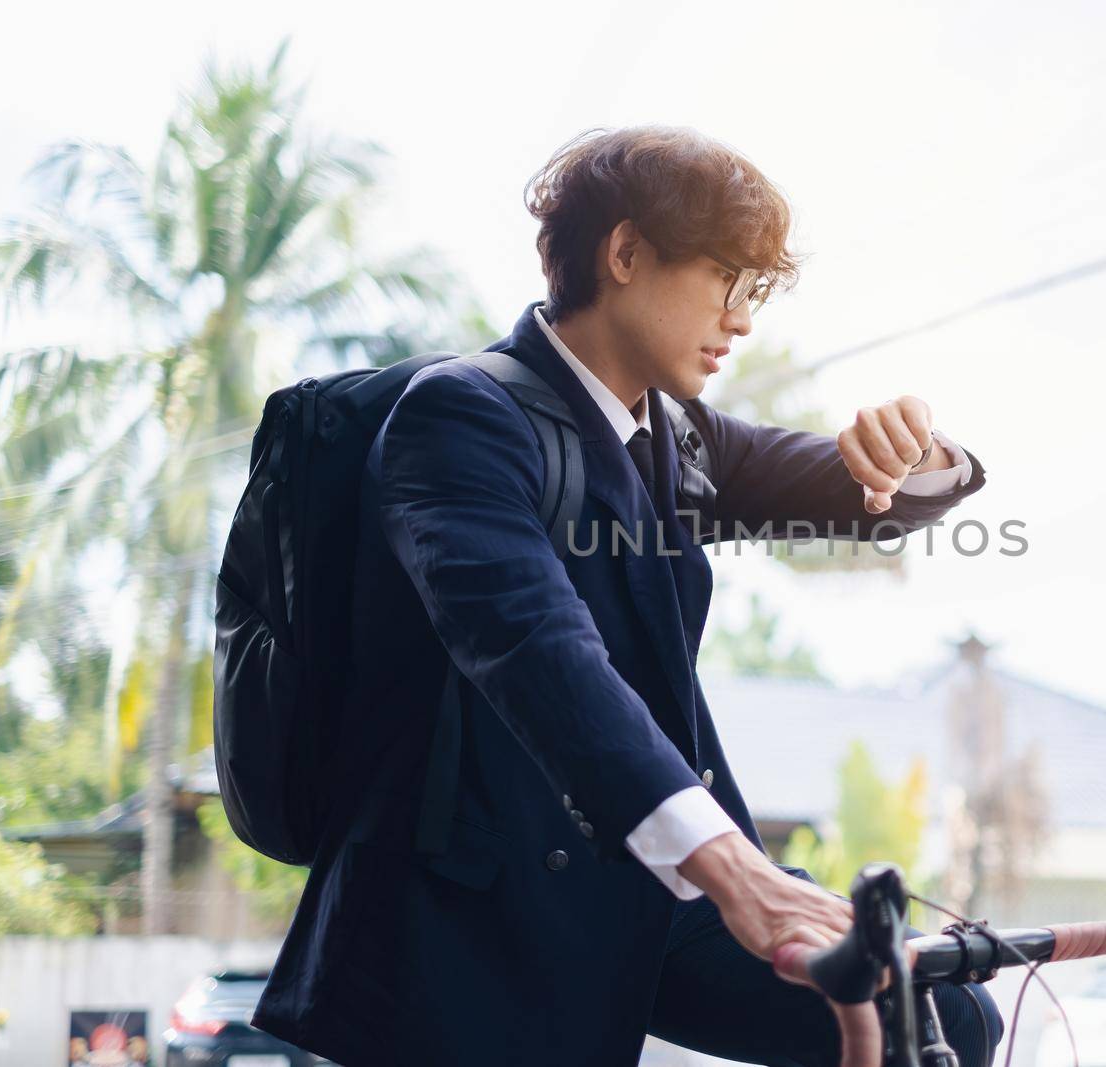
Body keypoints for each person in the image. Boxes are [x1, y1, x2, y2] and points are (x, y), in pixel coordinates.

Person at [252, 126, 1000, 1065]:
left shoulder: (681, 440)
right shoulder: (459, 414)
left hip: (650, 884)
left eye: (756, 290)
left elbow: (865, 500)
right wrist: (731, 865)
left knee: (937, 1014)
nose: (743, 318)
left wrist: (921, 453)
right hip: (480, 913)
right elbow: (537, 649)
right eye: (728, 275)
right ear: (626, 252)